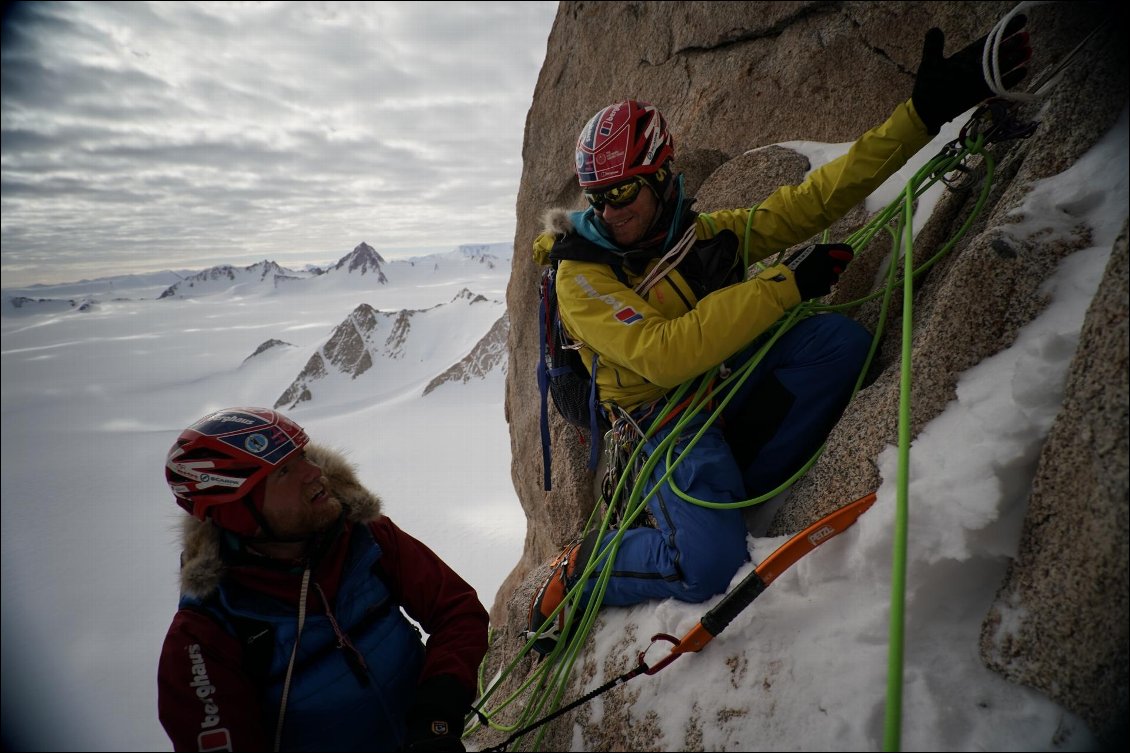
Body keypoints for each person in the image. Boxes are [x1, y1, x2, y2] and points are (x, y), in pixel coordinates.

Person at [527, 18, 1032, 648]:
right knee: (706, 564)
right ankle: (584, 570)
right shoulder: (579, 275)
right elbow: (661, 353)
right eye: (598, 195)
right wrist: (784, 285)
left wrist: (921, 115)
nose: (609, 209)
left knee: (839, 345)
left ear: (661, 176)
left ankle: (724, 485)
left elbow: (812, 201)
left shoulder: (701, 237)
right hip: (660, 423)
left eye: (624, 189)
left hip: (715, 390)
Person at [158, 407, 488, 752]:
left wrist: (436, 719)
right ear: (236, 512)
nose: (314, 472)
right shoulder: (205, 638)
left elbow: (456, 610)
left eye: (302, 455)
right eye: (285, 471)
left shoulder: (363, 536)